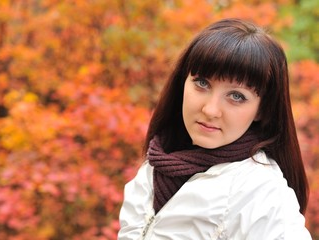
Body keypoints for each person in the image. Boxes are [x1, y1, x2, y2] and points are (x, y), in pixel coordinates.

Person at [118, 18, 312, 239]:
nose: (210, 110)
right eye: (202, 83)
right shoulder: (154, 165)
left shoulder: (260, 193)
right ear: (183, 82)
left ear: (262, 110)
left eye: (236, 96)